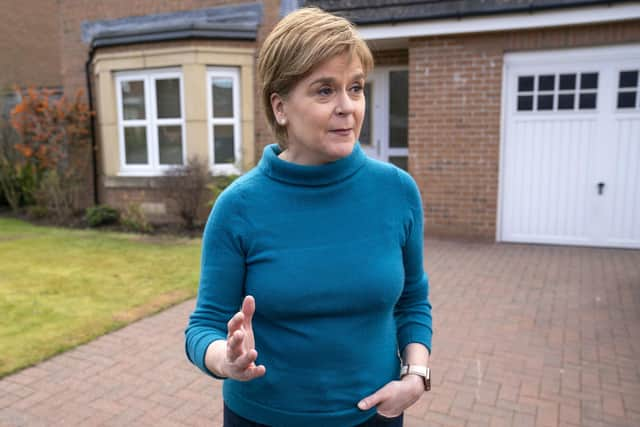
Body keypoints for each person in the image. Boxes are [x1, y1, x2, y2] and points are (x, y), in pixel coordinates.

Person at [185, 7, 433, 427]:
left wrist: (416, 375)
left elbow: (412, 300)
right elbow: (204, 325)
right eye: (324, 91)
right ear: (280, 107)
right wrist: (226, 360)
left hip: (376, 416)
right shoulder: (238, 207)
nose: (347, 107)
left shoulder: (397, 192)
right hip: (262, 419)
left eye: (355, 88)